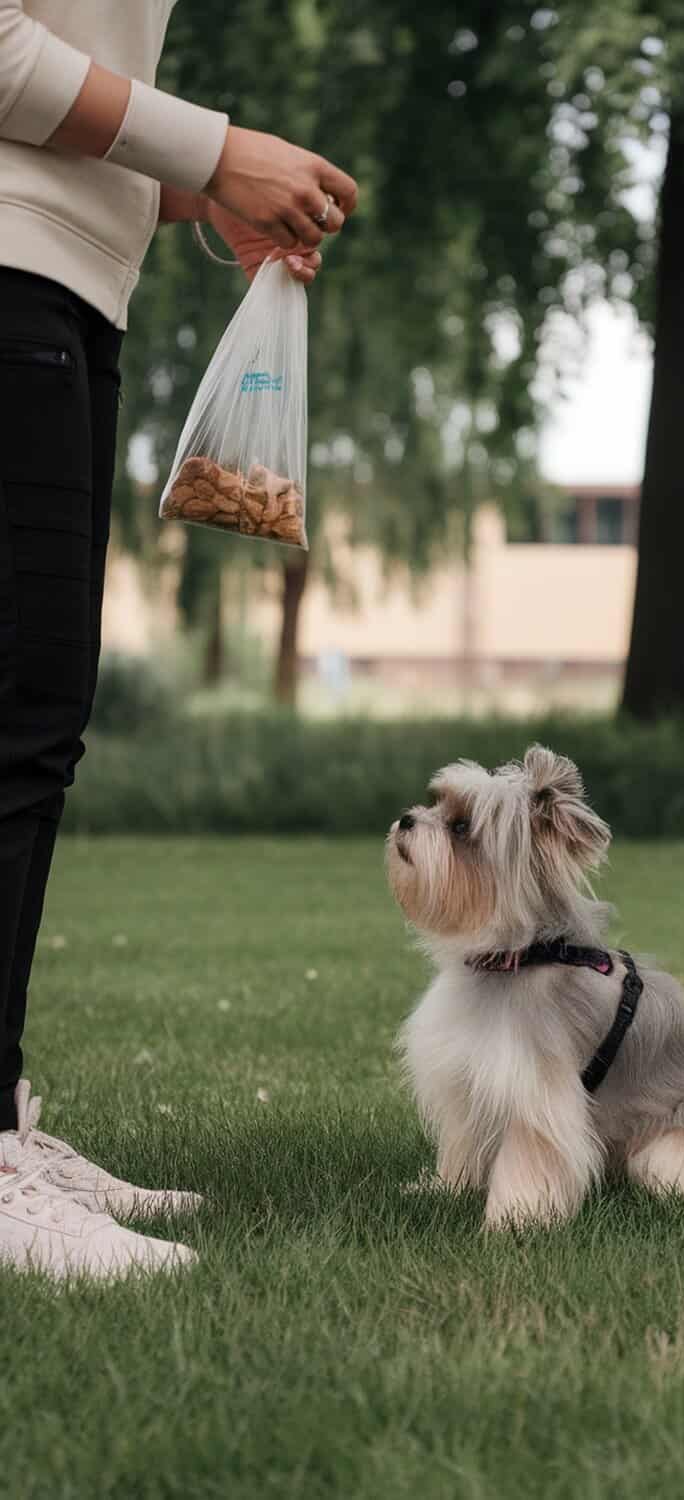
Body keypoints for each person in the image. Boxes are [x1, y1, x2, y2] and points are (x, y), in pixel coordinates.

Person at [0, 0, 357, 1279]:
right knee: (14, 720)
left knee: (36, 720)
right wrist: (210, 148)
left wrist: (190, 197)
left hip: (67, 286)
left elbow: (55, 103)